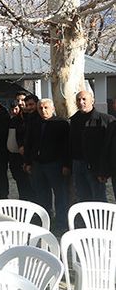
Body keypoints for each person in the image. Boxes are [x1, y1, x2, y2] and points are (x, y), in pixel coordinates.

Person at [24, 98, 70, 230]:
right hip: (38, 165)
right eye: (40, 108)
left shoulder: (61, 124)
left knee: (60, 195)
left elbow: (66, 146)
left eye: (46, 108)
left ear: (52, 109)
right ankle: (45, 221)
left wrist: (66, 165)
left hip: (55, 165)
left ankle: (61, 224)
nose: (43, 111)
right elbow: (29, 143)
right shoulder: (34, 123)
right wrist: (28, 162)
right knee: (42, 195)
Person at [69, 90, 114, 202]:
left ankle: (102, 220)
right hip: (77, 164)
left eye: (84, 99)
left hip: (96, 167)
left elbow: (109, 147)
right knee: (82, 198)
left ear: (92, 100)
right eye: (78, 99)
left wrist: (104, 170)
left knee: (99, 199)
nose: (81, 102)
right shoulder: (73, 120)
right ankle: (85, 220)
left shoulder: (106, 120)